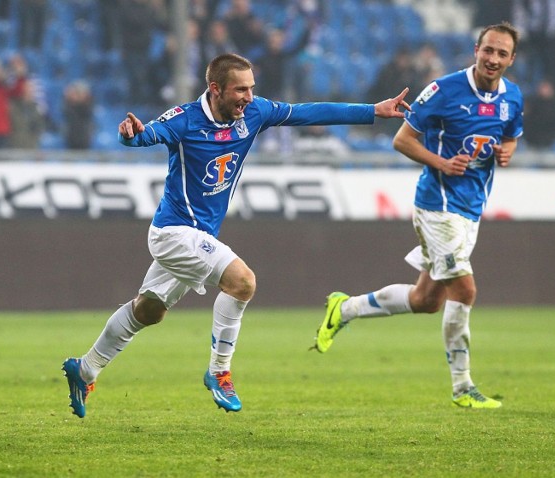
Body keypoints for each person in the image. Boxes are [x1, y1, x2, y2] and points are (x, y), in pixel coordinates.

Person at [62, 53, 410, 418]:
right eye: (240, 89)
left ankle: (85, 369)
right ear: (215, 89)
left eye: (251, 88)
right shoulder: (185, 120)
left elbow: (307, 111)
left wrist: (373, 111)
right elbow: (149, 133)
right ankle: (219, 372)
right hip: (173, 233)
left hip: (199, 236)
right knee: (242, 282)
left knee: (148, 311)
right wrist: (132, 136)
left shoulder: (255, 113)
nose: (248, 96)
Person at [313, 22, 524, 409]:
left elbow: (510, 132)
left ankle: (344, 309)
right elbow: (402, 139)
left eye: (501, 53)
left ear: (511, 59)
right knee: (465, 290)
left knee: (427, 300)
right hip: (437, 205)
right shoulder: (444, 90)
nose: (493, 59)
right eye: (488, 50)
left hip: (471, 209)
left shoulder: (513, 96)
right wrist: (442, 162)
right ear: (475, 50)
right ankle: (463, 388)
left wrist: (507, 150)